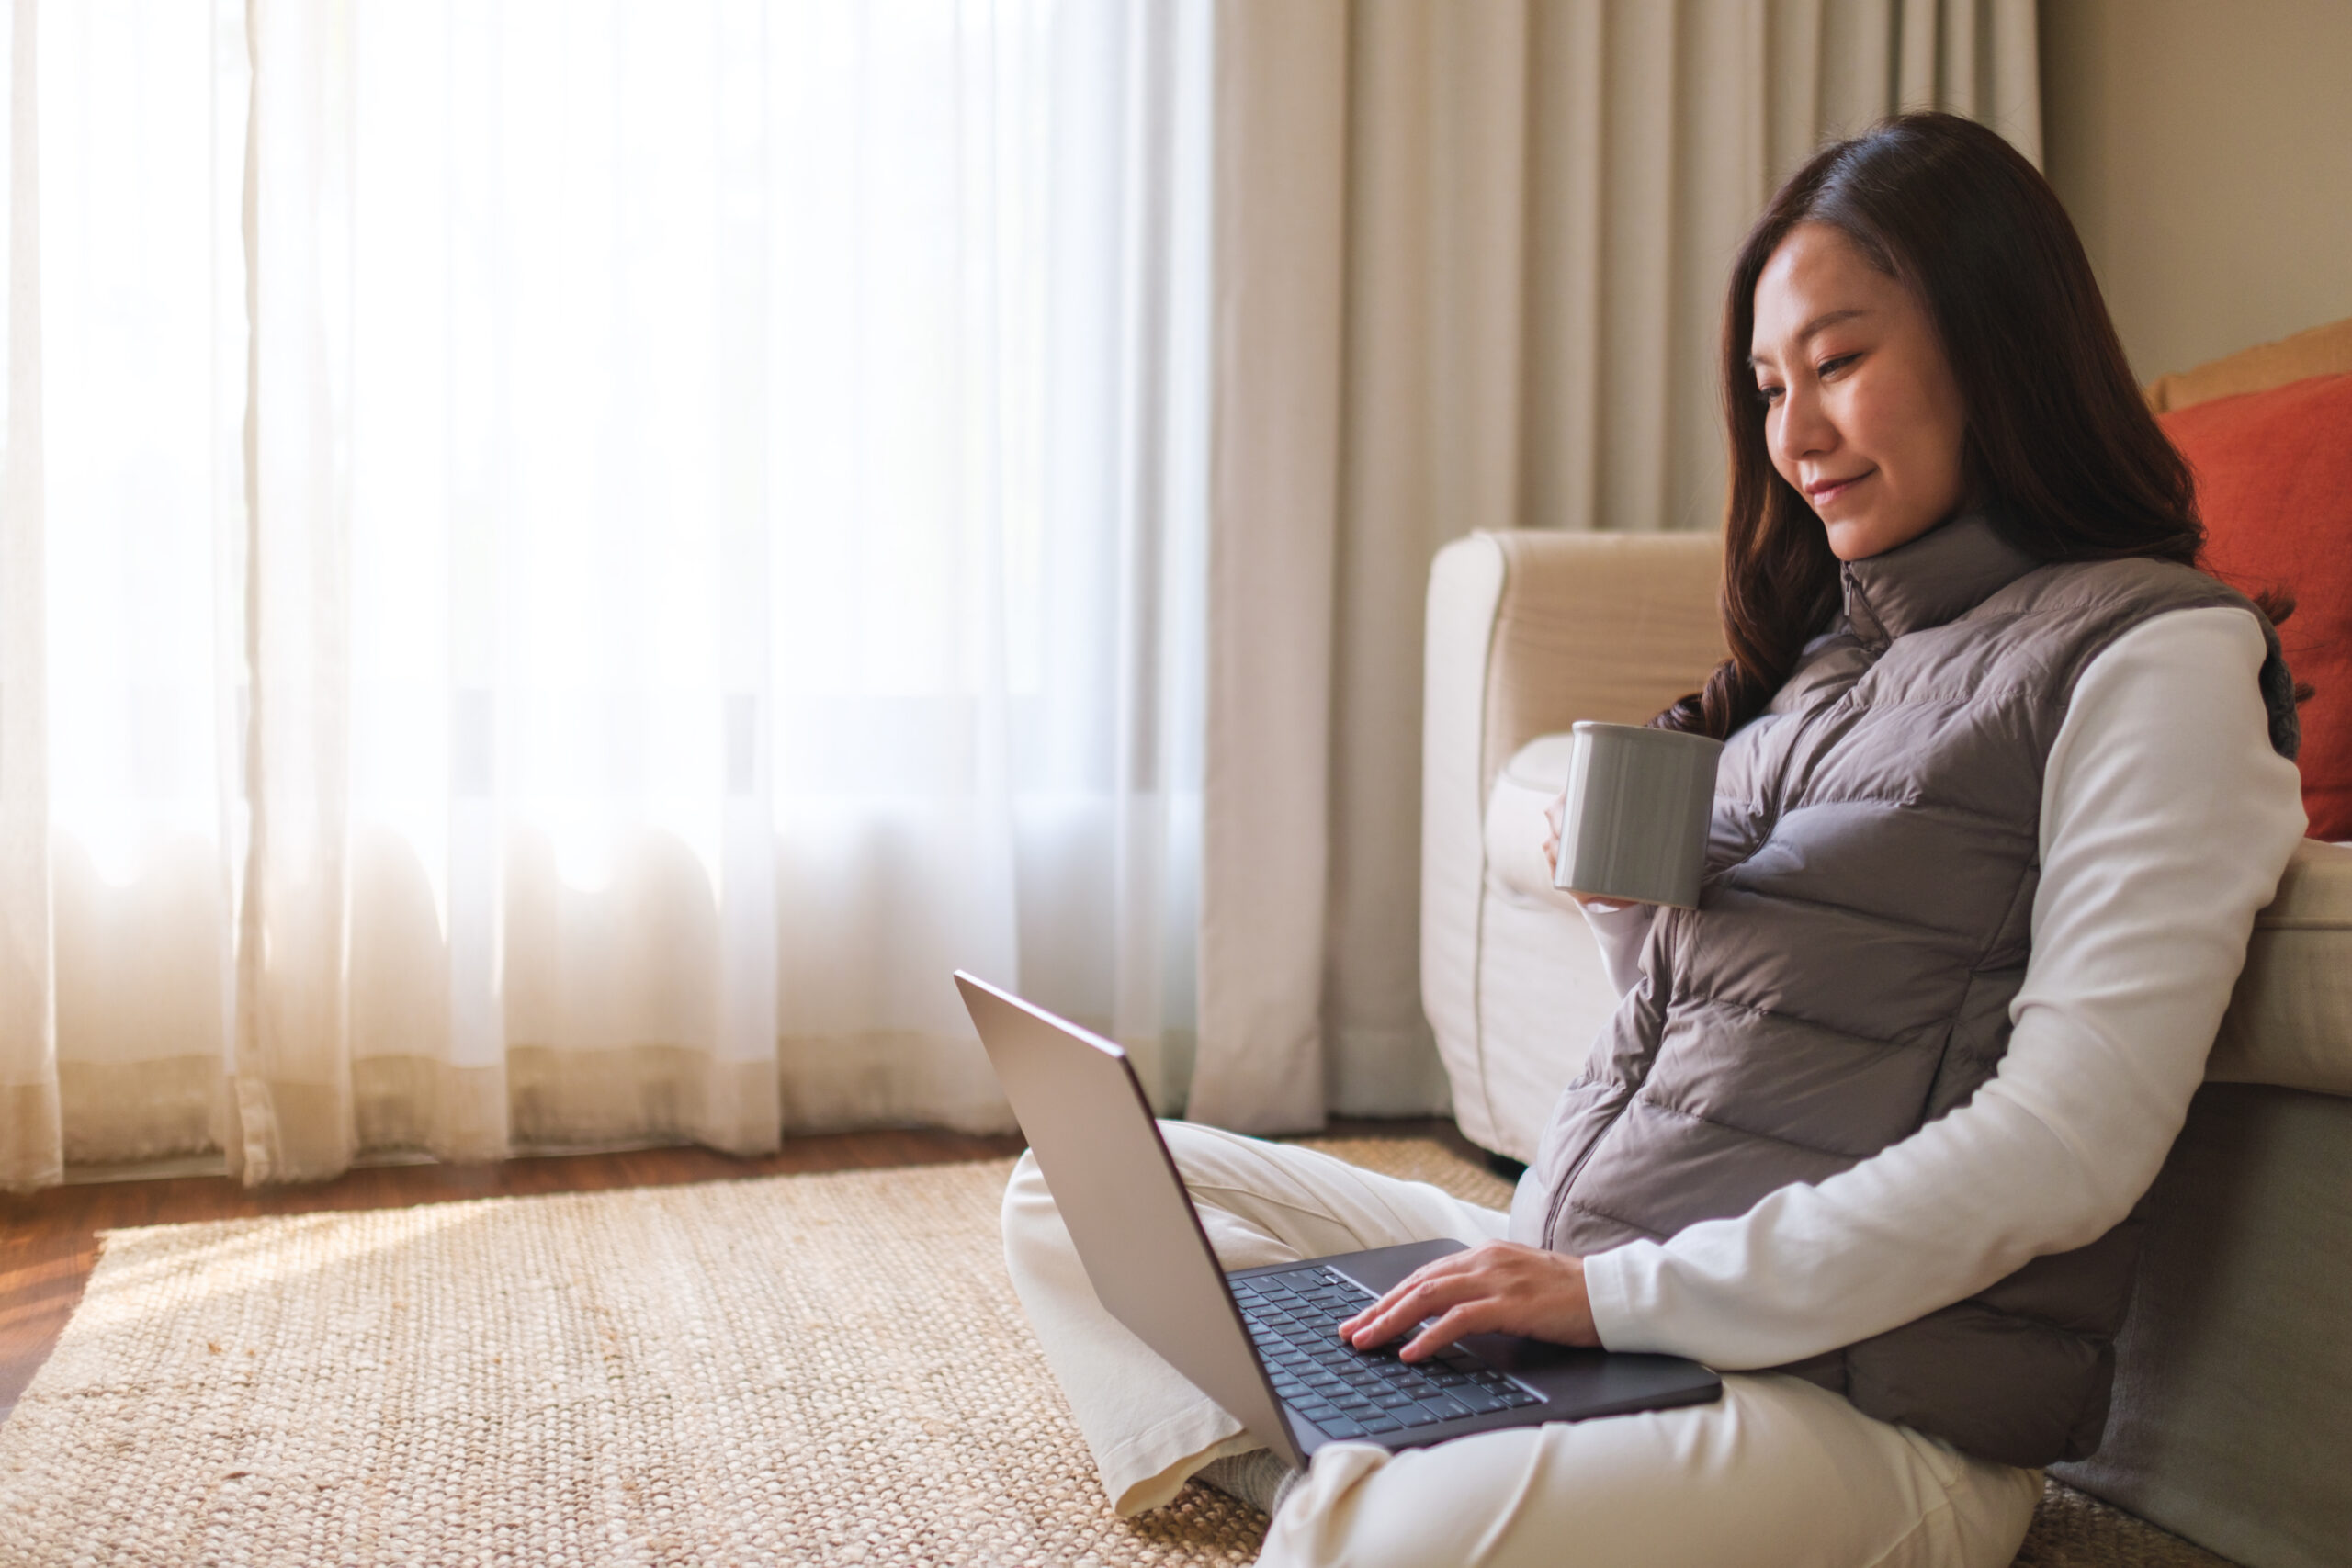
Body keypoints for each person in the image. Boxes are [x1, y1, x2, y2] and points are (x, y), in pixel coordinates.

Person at [1000, 112, 2308, 1568]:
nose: (1794, 434)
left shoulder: (2159, 656)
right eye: (1767, 384)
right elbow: (1725, 1045)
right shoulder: (1828, 655)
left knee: (1384, 1540)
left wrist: (1610, 1305)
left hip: (1857, 1402)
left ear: (1996, 340)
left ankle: (1359, 1475)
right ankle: (1363, 1446)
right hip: (1596, 1290)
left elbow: (2068, 1146)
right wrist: (1633, 920)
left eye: (1841, 361)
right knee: (1076, 1191)